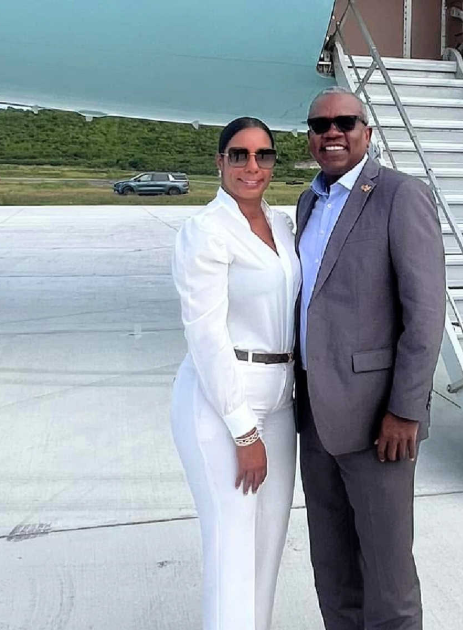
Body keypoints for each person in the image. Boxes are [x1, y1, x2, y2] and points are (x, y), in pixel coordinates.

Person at [294, 87, 446, 630]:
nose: (332, 132)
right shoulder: (308, 202)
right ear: (310, 137)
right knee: (332, 564)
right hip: (315, 416)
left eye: (345, 122)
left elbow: (425, 315)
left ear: (367, 131)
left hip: (379, 422)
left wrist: (405, 410)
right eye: (320, 125)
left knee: (388, 575)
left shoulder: (401, 196)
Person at [171, 116, 301, 630]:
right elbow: (205, 336)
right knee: (231, 546)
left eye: (263, 155)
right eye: (239, 155)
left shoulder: (282, 224)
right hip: (223, 399)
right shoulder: (205, 231)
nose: (252, 166)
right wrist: (244, 431)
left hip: (282, 397)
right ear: (220, 162)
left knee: (268, 544)